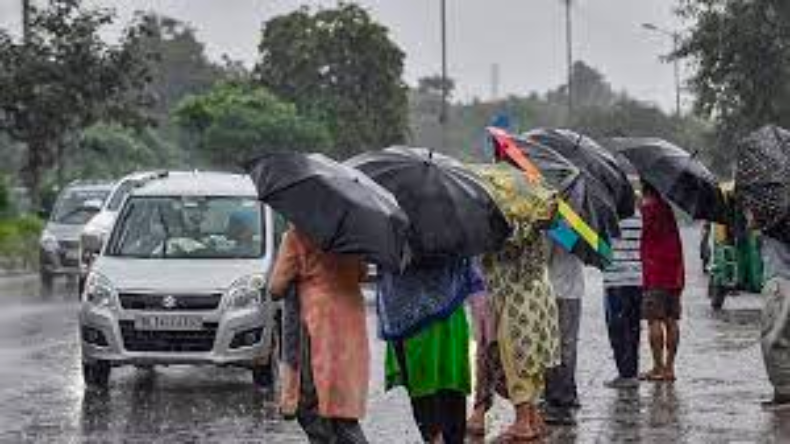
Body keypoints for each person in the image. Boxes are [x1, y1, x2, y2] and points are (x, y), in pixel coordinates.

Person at [269, 227, 370, 443]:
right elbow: (362, 273)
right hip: (350, 320)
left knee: (309, 402)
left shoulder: (296, 235)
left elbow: (276, 287)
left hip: (316, 320)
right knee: (343, 404)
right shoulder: (352, 235)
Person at [381, 257, 482, 444]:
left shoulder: (389, 229)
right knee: (449, 386)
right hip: (449, 309)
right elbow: (471, 267)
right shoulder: (456, 228)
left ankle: (435, 437)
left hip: (408, 316)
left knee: (424, 388)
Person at [481, 222, 560, 441]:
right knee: (533, 358)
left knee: (517, 359)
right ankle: (533, 417)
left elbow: (498, 256)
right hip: (540, 291)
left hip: (518, 297)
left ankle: (523, 422)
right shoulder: (536, 213)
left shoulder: (508, 224)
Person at [640, 181, 684, 382]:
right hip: (674, 273)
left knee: (654, 320)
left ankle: (657, 367)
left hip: (654, 271)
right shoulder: (668, 208)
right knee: (671, 320)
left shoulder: (646, 209)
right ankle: (670, 368)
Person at [543, 244, 585, 425]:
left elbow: (543, 258)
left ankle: (557, 393)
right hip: (573, 291)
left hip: (553, 289)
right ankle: (568, 390)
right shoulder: (584, 230)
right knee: (569, 344)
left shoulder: (554, 227)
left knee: (553, 344)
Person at [602, 209, 644, 388]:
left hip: (615, 279)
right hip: (638, 278)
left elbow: (598, 247)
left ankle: (625, 374)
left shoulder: (607, 216)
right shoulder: (639, 215)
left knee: (618, 329)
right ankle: (632, 371)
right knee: (634, 328)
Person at [759, 234, 790, 410]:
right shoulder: (777, 219)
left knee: (773, 339)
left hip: (781, 281)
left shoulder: (775, 222)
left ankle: (785, 392)